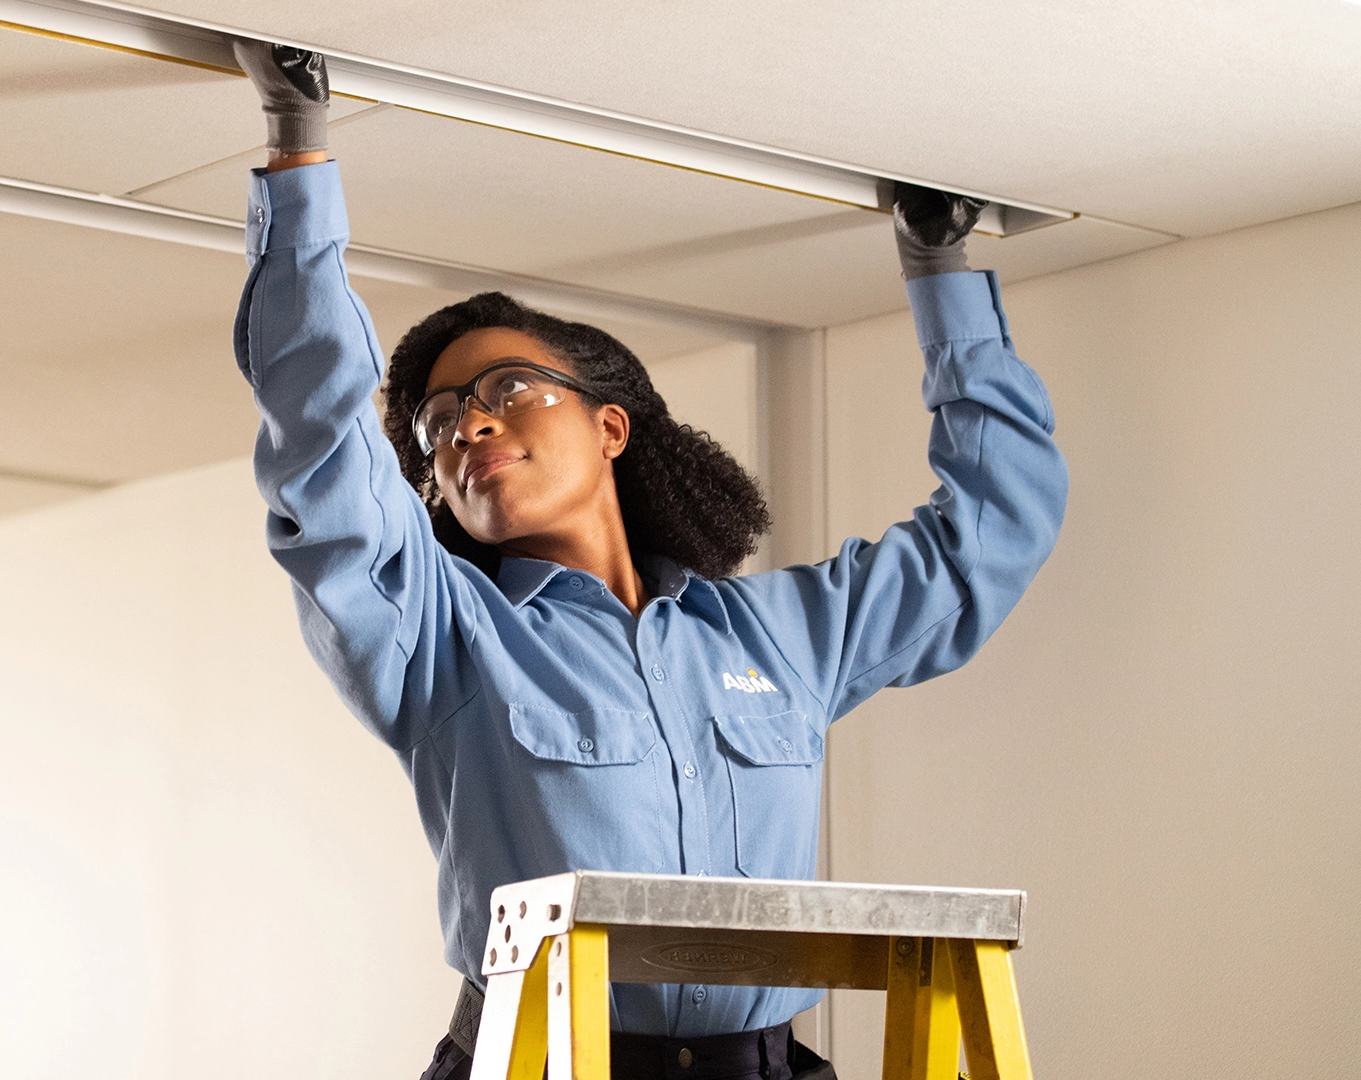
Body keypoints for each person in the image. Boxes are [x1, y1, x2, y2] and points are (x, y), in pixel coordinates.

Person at [229, 40, 1067, 1080]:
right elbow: (322, 449)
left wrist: (942, 272)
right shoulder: (440, 636)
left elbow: (992, 530)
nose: (467, 427)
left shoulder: (780, 638)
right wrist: (298, 148)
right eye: (439, 424)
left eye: (507, 390)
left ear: (611, 428)